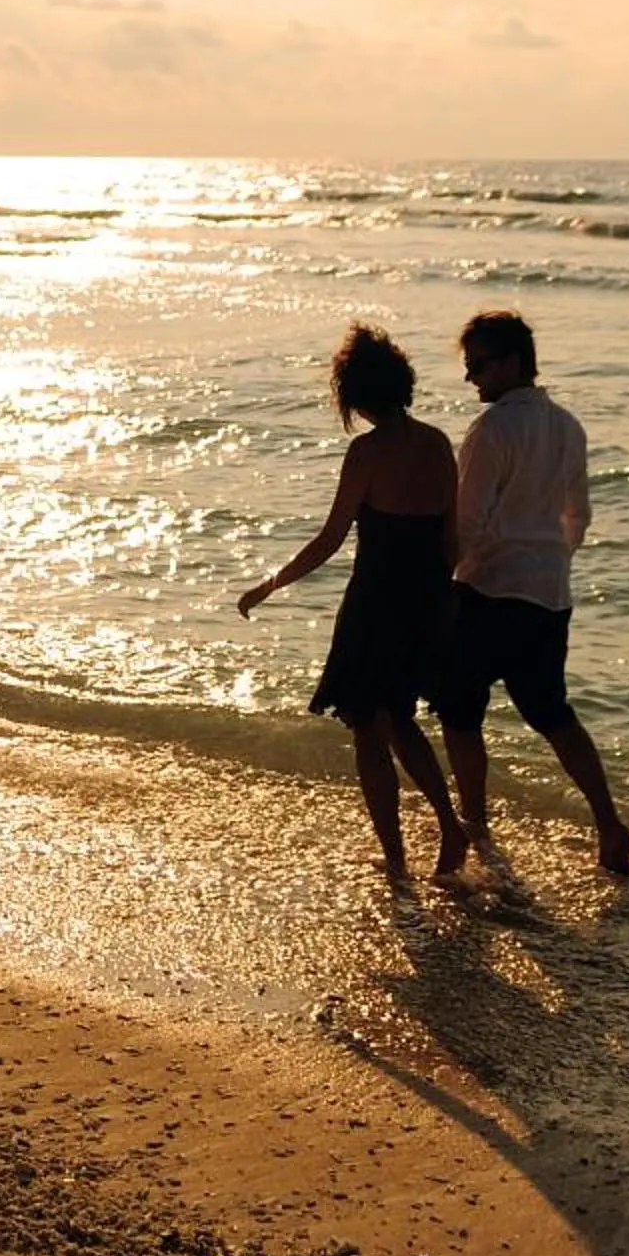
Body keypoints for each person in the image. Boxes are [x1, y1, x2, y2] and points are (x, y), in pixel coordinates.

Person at [238, 323, 473, 879]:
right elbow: (451, 537)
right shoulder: (438, 442)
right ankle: (449, 826)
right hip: (429, 598)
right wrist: (450, 603)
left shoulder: (366, 453)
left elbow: (329, 539)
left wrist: (270, 585)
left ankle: (396, 861)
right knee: (400, 721)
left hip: (377, 603)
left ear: (355, 395)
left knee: (370, 729)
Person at [436, 309, 629, 876]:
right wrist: (551, 561)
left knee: (460, 713)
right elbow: (579, 515)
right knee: (553, 715)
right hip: (548, 594)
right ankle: (608, 822)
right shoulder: (568, 425)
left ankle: (475, 824)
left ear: (512, 363)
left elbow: (467, 521)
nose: (471, 378)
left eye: (478, 366)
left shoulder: (493, 428)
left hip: (489, 588)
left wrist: (444, 577)